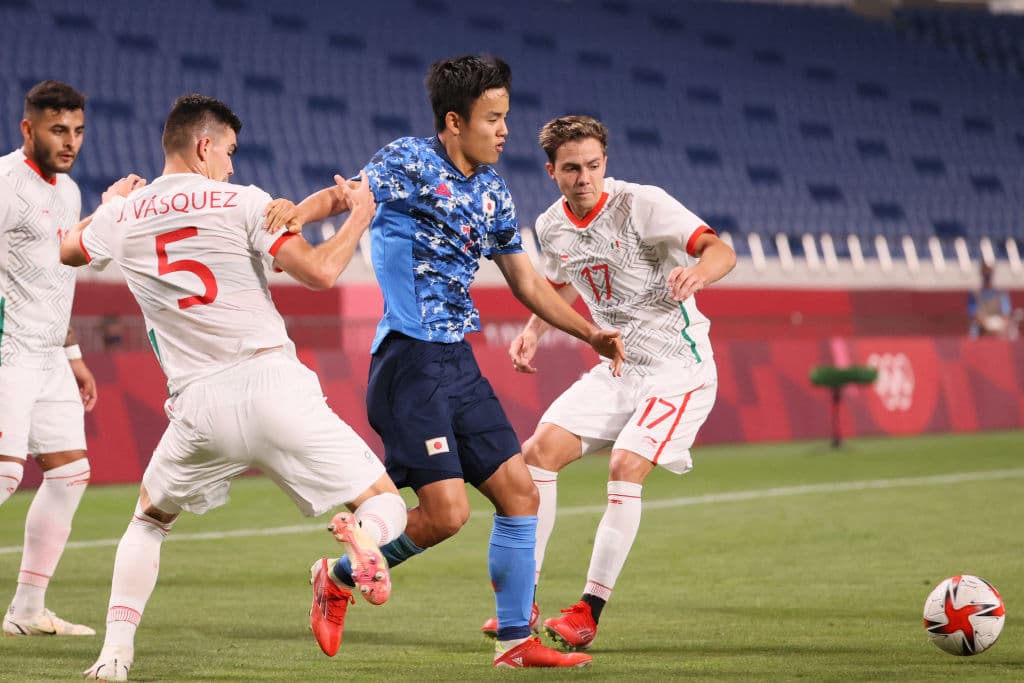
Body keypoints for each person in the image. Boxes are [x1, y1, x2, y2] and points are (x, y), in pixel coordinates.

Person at [59, 94, 408, 681]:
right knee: (385, 502)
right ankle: (361, 538)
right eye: (229, 152)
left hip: (197, 406)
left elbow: (68, 250)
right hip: (274, 385)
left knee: (148, 521)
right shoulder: (244, 202)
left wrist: (107, 204)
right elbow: (322, 273)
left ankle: (114, 655)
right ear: (204, 146)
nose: (232, 165)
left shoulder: (125, 214)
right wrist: (359, 215)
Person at [296, 56, 625, 668]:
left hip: (458, 365)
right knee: (447, 516)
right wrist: (297, 214)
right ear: (454, 120)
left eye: (505, 116)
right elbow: (346, 196)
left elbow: (526, 281)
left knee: (520, 494)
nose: (504, 130)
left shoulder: (494, 190)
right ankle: (338, 577)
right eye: (492, 118)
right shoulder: (409, 161)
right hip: (408, 364)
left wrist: (590, 334)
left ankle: (514, 644)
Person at [485, 115, 736, 651]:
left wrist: (700, 273)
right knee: (536, 454)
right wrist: (532, 328)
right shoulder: (551, 224)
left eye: (593, 166)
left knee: (625, 465)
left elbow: (720, 249)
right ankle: (522, 600)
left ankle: (588, 610)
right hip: (620, 368)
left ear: (606, 164)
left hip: (678, 370)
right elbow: (558, 276)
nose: (584, 178)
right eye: (571, 168)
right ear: (552, 170)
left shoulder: (642, 203)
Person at [0, 80, 99, 638]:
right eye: (58, 130)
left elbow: (59, 281)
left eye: (78, 131)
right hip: (7, 349)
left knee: (69, 474)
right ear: (28, 128)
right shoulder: (4, 183)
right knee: (5, 474)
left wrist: (74, 353)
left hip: (49, 354)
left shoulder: (70, 193)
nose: (70, 142)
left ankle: (27, 610)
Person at [968, 261, 1014, 339]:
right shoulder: (974, 294)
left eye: (989, 271)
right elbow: (974, 314)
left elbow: (1006, 314)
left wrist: (997, 327)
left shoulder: (1001, 294)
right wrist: (987, 326)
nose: (987, 274)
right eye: (985, 271)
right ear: (981, 273)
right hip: (980, 330)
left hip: (999, 329)